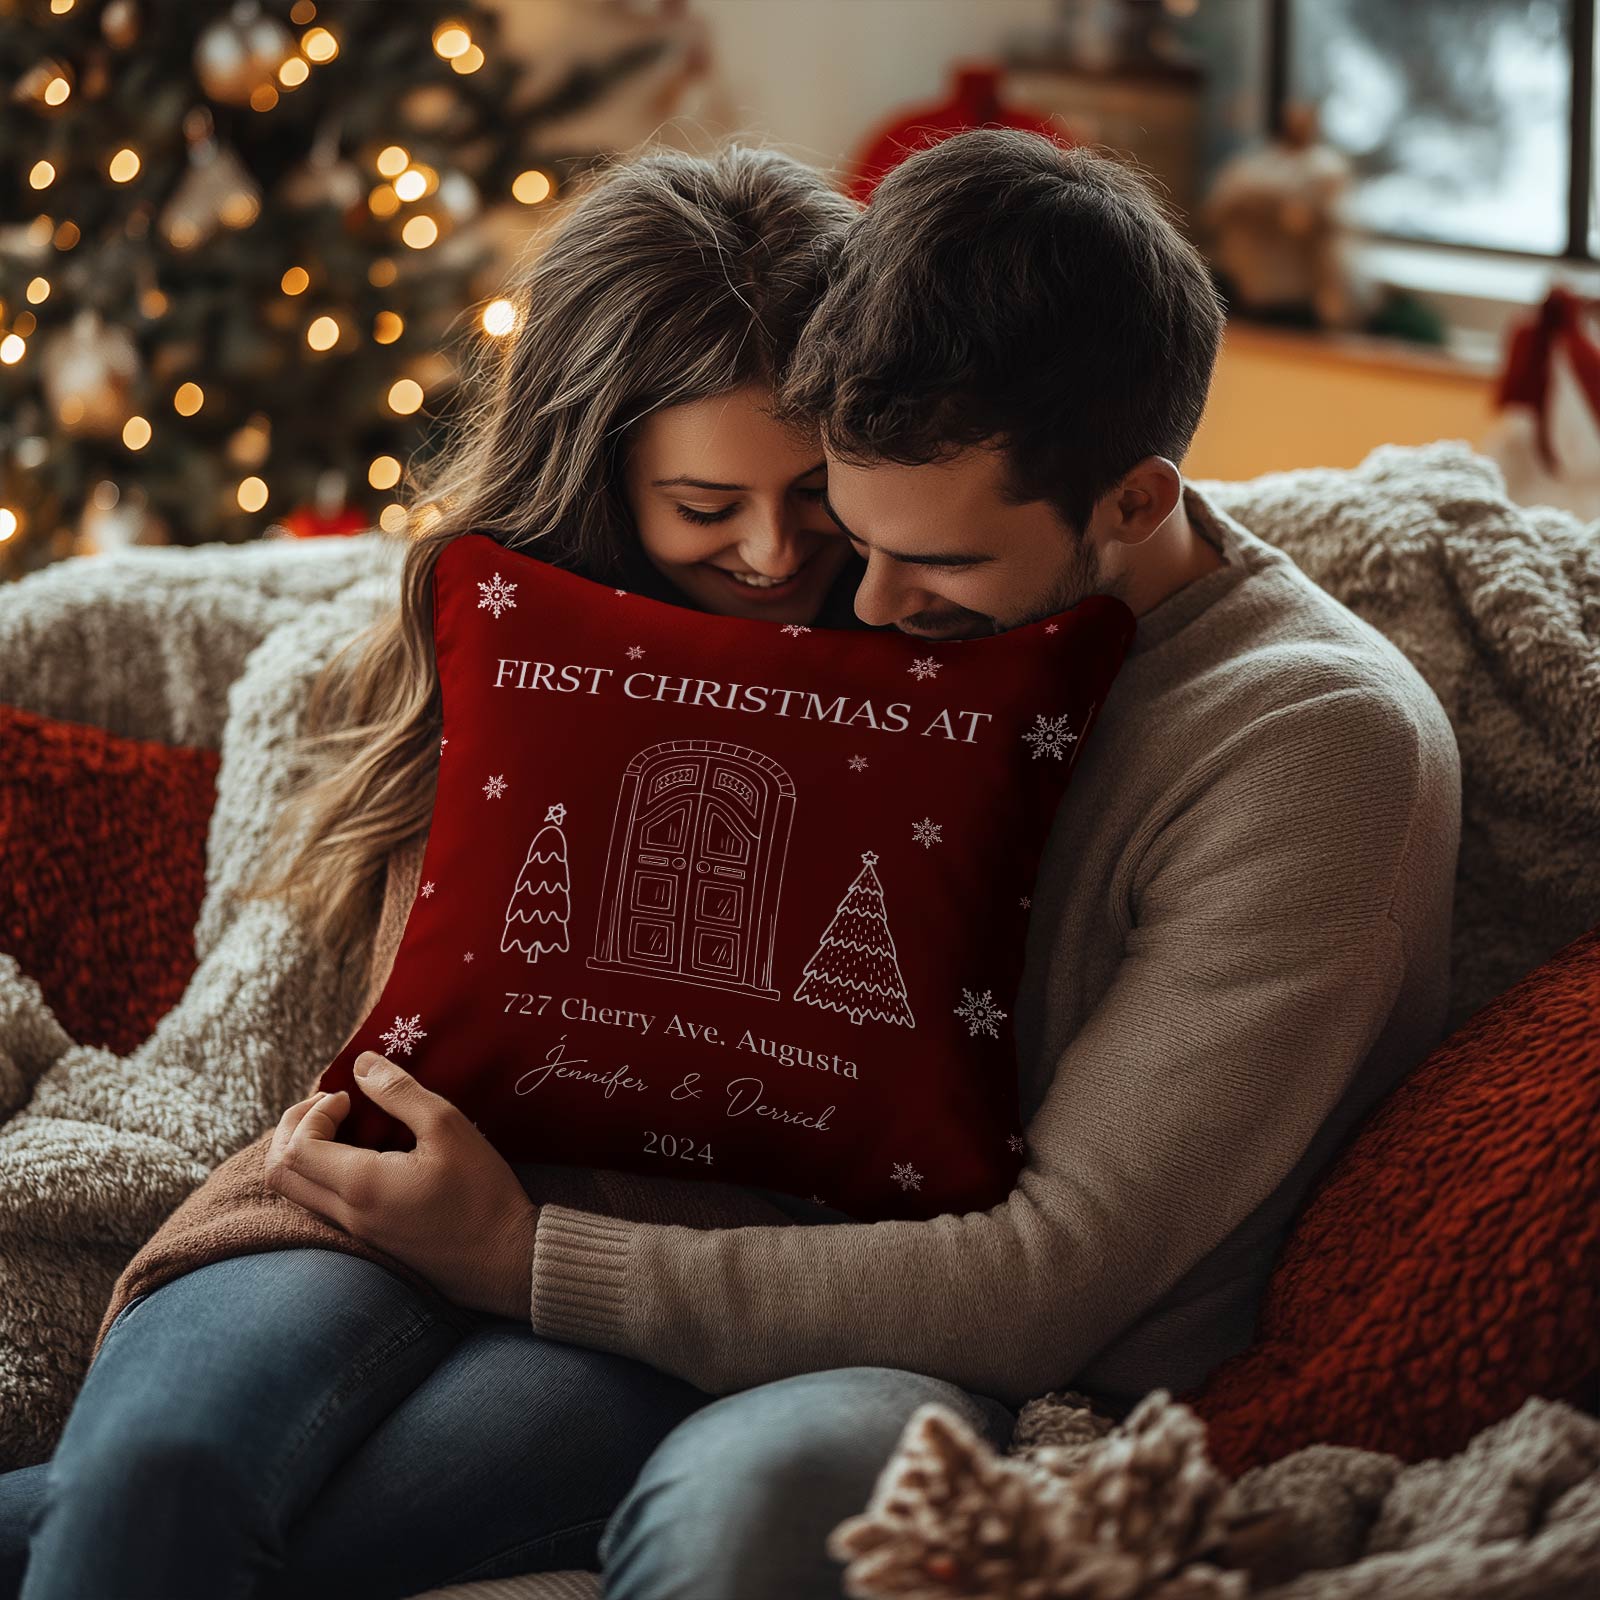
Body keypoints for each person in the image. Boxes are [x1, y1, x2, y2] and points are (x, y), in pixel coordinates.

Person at [0, 126, 1464, 1600]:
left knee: (585, 1516)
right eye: (842, 522)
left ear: (1135, 504)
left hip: (841, 1303)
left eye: (923, 561)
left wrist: (529, 1258)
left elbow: (1051, 1271)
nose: (856, 607)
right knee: (164, 1476)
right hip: (453, 1195)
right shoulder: (831, 582)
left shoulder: (1307, 745)